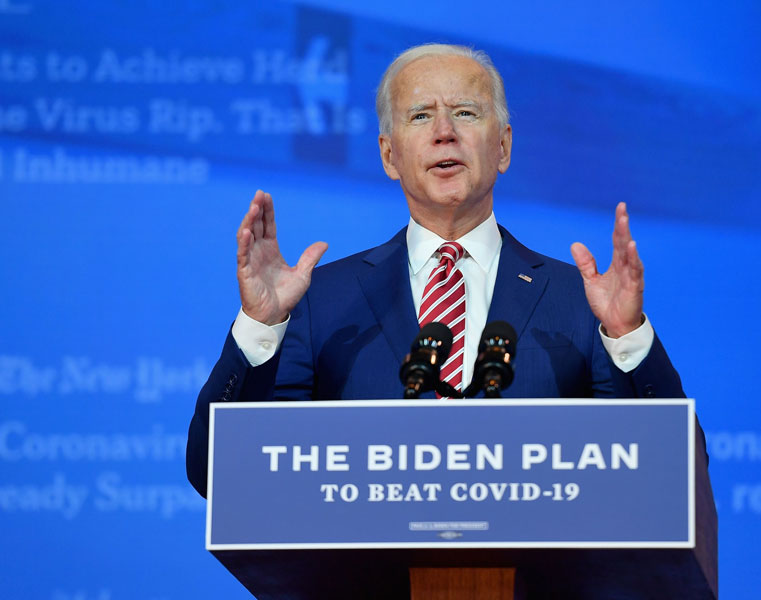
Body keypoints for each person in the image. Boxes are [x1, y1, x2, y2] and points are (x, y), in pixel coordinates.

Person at [186, 44, 689, 498]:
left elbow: (675, 476)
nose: (444, 133)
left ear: (504, 147)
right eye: (421, 115)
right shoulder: (322, 301)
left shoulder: (579, 301)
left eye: (466, 113)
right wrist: (261, 327)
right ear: (389, 155)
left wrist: (627, 338)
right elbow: (217, 475)